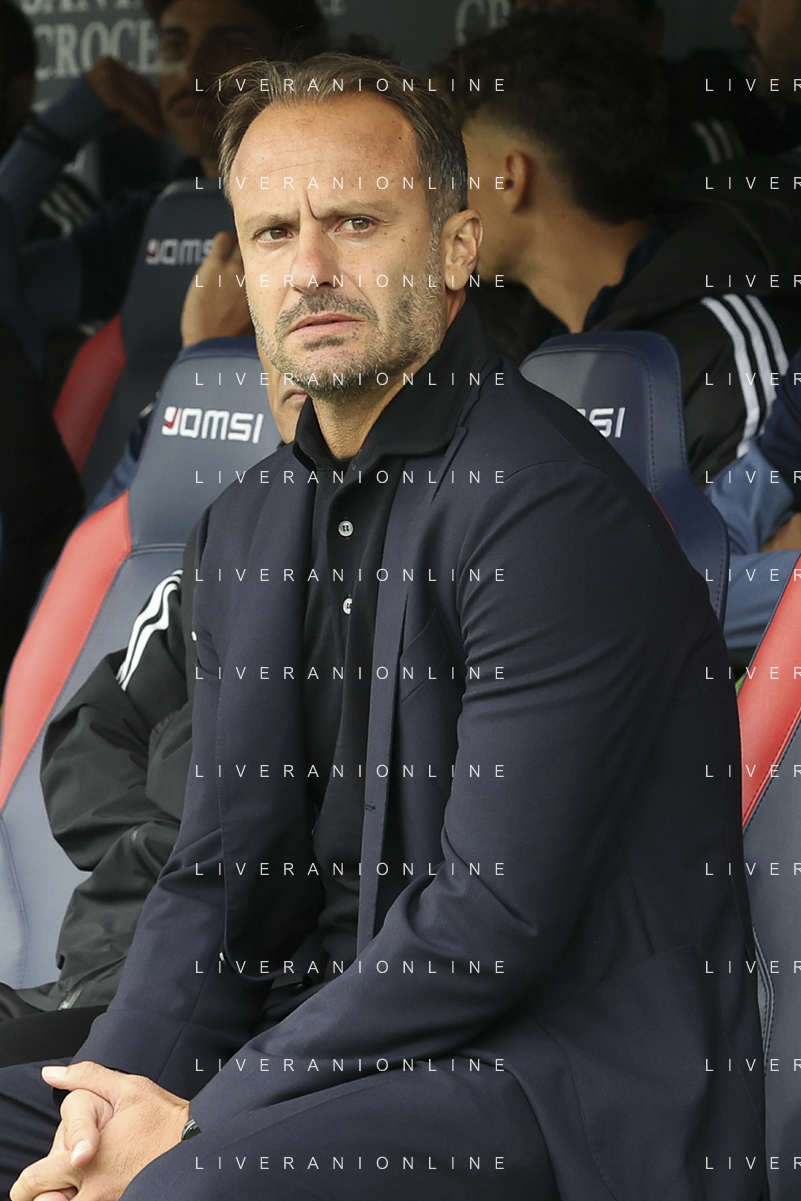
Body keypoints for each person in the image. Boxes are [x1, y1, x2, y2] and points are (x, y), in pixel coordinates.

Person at [1, 53, 765, 1201]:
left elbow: (490, 921)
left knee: (186, 1189)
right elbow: (216, 878)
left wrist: (197, 1122)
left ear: (456, 248)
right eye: (272, 233)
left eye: (356, 222)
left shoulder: (552, 510)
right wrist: (111, 1096)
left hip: (549, 1085)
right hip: (316, 1050)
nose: (310, 268)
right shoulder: (250, 520)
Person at [440, 6, 801, 487]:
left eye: (454, 172)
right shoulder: (521, 353)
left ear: (511, 178)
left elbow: (748, 534)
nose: (442, 202)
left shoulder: (722, 347)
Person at [0, 0, 327, 336]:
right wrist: (64, 122)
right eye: (175, 47)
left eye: (229, 46)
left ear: (293, 65)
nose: (191, 72)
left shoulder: (327, 210)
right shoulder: (143, 222)